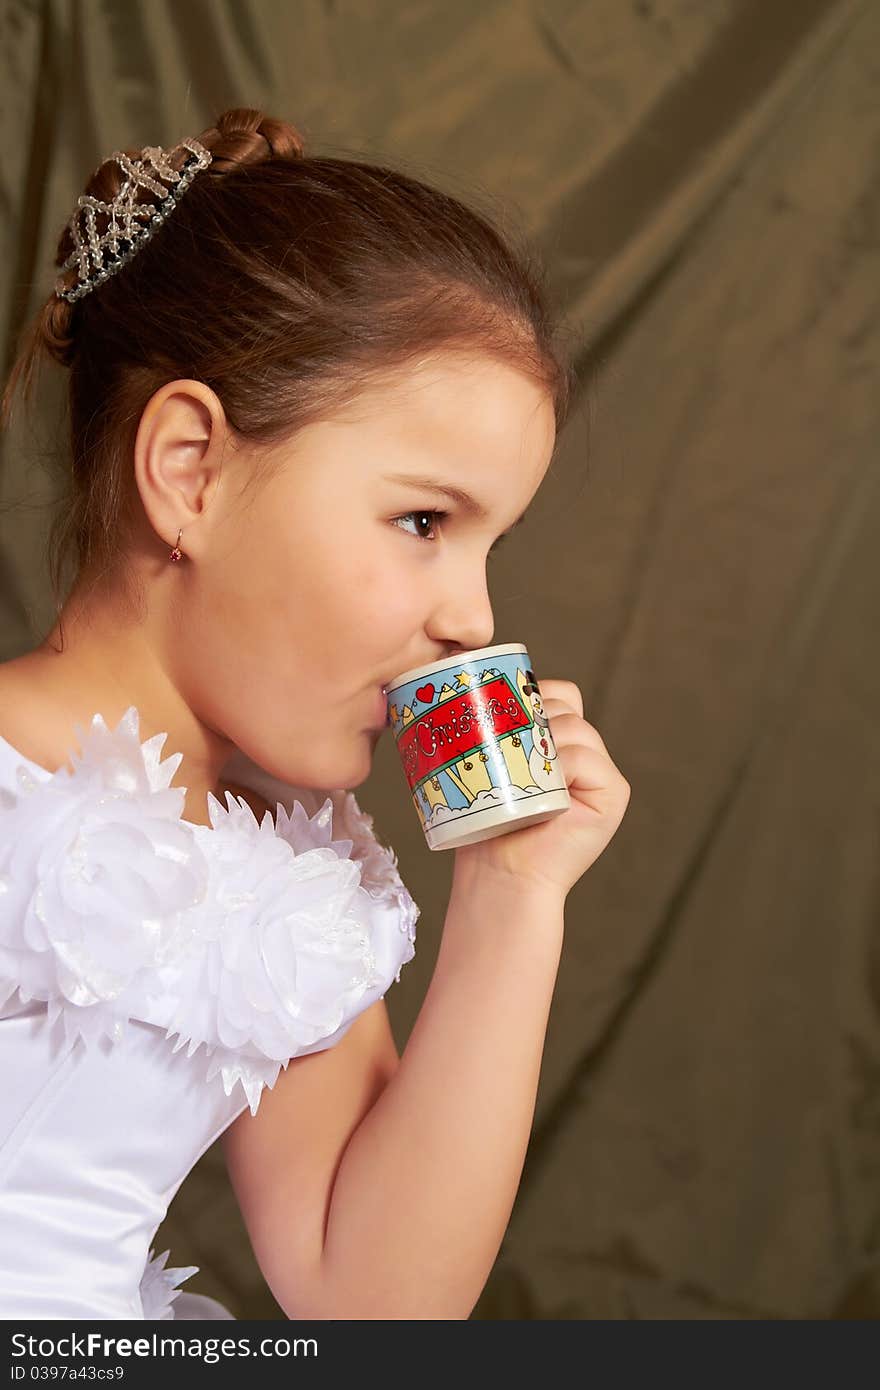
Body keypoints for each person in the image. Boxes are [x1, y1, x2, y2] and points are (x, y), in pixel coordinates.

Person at [0, 107, 631, 1320]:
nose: (473, 618)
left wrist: (513, 900)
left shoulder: (286, 884)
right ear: (191, 469)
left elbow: (377, 1304)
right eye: (423, 522)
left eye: (489, 544)